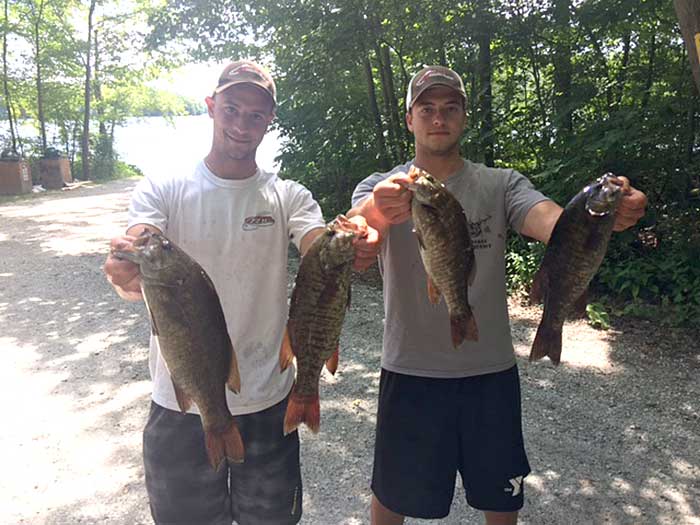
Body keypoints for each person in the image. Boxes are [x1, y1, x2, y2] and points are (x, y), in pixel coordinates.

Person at [348, 65, 647, 525]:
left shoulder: (501, 183)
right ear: (409, 119)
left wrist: (598, 217)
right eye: (426, 109)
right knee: (391, 496)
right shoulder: (380, 186)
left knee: (501, 499)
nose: (438, 118)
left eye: (450, 108)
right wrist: (375, 210)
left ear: (464, 116)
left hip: (489, 373)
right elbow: (355, 231)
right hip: (408, 370)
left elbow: (548, 220)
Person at [104, 60, 351, 525]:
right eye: (232, 109)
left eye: (255, 115)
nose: (242, 124)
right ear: (212, 107)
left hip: (267, 398)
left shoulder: (288, 196)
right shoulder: (166, 187)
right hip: (183, 400)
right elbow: (140, 237)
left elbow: (318, 246)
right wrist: (124, 265)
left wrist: (350, 242)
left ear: (269, 122)